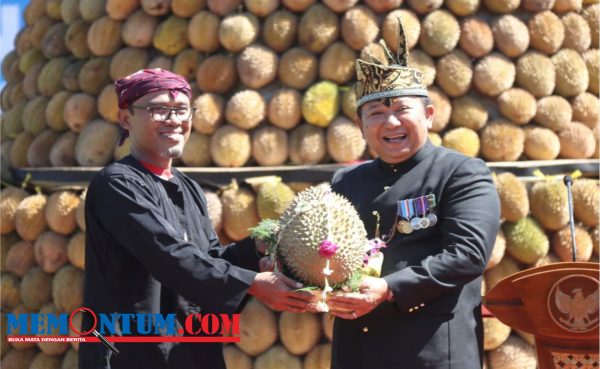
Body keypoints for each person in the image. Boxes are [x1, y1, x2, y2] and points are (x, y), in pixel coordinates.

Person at [79, 69, 311, 369]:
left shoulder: (188, 187)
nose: (174, 120)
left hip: (190, 351)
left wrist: (256, 251)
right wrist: (252, 282)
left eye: (182, 110)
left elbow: (209, 258)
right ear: (126, 119)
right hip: (134, 353)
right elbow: (167, 254)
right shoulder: (116, 184)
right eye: (159, 109)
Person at [325, 22, 501, 369]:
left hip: (431, 351)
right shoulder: (346, 181)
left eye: (402, 109)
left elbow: (467, 255)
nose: (390, 123)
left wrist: (389, 288)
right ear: (360, 126)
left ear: (429, 116)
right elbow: (325, 250)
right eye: (376, 113)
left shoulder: (461, 172)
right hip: (356, 350)